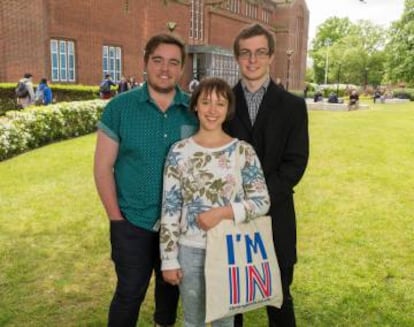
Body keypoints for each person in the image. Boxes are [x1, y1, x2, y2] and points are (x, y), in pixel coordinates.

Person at [94, 33, 198, 327]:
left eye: (173, 62)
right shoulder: (119, 108)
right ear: (145, 63)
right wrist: (116, 219)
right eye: (158, 60)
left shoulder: (194, 110)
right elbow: (103, 168)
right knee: (129, 294)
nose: (165, 68)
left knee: (170, 294)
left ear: (181, 68)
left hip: (178, 226)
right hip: (132, 222)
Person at [160, 77, 270, 327]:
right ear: (195, 105)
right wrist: (169, 259)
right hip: (189, 250)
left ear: (228, 110)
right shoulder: (179, 152)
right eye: (206, 102)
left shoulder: (243, 151)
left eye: (220, 104)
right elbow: (170, 208)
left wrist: (223, 212)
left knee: (224, 322)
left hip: (230, 250)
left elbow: (262, 201)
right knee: (193, 321)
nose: (212, 110)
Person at [225, 23, 309, 327]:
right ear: (237, 57)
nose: (252, 59)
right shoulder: (222, 103)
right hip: (230, 219)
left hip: (276, 216)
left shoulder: (293, 106)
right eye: (245, 53)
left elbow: (295, 163)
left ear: (271, 56)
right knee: (231, 300)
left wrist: (257, 199)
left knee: (279, 297)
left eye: (260, 52)